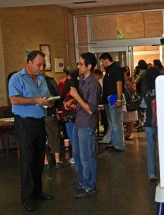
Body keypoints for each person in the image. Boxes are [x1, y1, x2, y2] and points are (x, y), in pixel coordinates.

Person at [8, 50, 54, 212]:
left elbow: (46, 99)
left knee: (39, 157)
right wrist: (35, 100)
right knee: (27, 160)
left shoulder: (41, 80)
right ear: (29, 62)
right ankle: (26, 197)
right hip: (25, 123)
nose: (41, 68)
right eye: (39, 65)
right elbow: (14, 99)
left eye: (43, 65)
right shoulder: (17, 78)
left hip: (39, 122)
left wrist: (49, 103)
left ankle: (37, 192)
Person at [64, 52, 101, 199]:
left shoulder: (94, 85)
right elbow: (80, 98)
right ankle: (83, 181)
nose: (78, 66)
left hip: (87, 124)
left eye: (80, 64)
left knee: (87, 157)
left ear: (89, 66)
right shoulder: (82, 80)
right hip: (78, 122)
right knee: (78, 156)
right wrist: (71, 101)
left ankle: (89, 186)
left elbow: (91, 109)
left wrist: (75, 96)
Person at [99, 52, 125, 152]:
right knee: (111, 123)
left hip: (114, 97)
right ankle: (114, 143)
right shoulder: (108, 70)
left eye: (102, 61)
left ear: (106, 59)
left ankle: (119, 145)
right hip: (108, 99)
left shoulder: (116, 69)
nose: (101, 63)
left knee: (116, 122)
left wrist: (118, 99)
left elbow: (119, 84)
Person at [42, 72, 65, 169]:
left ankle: (45, 162)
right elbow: (58, 96)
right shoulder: (50, 81)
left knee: (41, 139)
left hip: (37, 115)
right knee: (54, 136)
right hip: (50, 113)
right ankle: (57, 161)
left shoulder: (31, 82)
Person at [141, 67, 161, 181]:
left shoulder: (145, 88)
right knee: (163, 148)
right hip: (162, 123)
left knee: (151, 147)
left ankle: (152, 173)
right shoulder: (162, 87)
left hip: (149, 122)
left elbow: (142, 106)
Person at [60, 63, 79, 165]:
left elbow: (63, 97)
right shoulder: (80, 82)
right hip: (79, 113)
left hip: (69, 113)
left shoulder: (68, 83)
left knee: (73, 137)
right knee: (78, 137)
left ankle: (76, 158)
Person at [122, 66, 138, 140]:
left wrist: (129, 84)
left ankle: (131, 133)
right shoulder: (120, 80)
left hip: (130, 100)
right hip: (123, 100)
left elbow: (134, 89)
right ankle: (127, 133)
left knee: (130, 118)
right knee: (125, 117)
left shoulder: (130, 79)